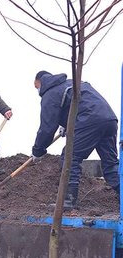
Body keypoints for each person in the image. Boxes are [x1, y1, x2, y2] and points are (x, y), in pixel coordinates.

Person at [31, 71, 119, 210]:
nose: (37, 90)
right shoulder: (73, 83)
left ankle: (68, 201)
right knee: (111, 164)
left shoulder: (50, 94)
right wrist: (67, 124)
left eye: (36, 87)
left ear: (40, 81)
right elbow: (82, 104)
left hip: (90, 120)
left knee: (70, 157)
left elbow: (47, 128)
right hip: (109, 119)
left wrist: (38, 150)